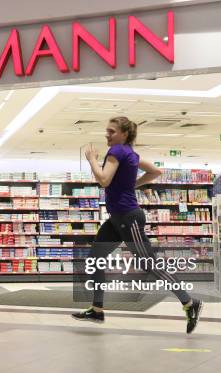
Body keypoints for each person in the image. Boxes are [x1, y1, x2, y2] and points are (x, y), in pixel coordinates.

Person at [71, 117, 203, 334]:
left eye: (111, 131)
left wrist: (92, 159)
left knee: (150, 264)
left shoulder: (118, 151)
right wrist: (132, 185)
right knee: (95, 259)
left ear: (124, 134)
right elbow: (155, 171)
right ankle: (97, 309)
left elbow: (103, 180)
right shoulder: (131, 154)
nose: (107, 134)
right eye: (107, 131)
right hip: (117, 218)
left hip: (127, 218)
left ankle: (190, 303)